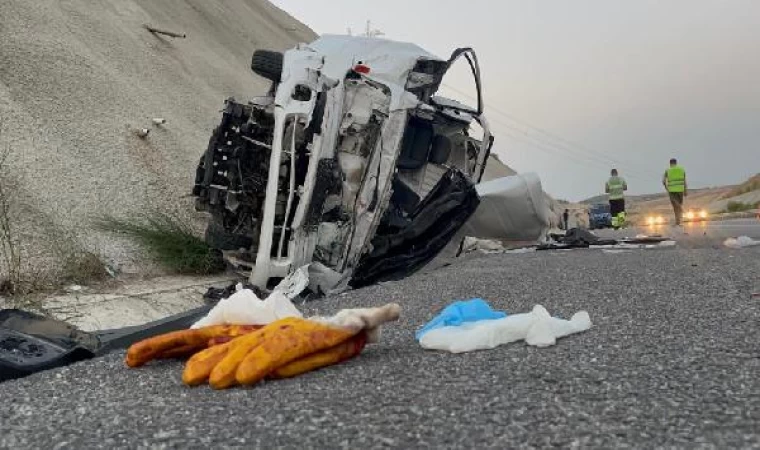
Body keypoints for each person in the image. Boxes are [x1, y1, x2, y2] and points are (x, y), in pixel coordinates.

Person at [663, 158, 687, 225]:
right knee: (679, 204)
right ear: (676, 163)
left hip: (672, 191)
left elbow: (663, 181)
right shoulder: (682, 170)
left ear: (670, 163)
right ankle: (678, 221)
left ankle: (679, 219)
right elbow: (685, 181)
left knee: (675, 206)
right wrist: (685, 190)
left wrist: (666, 188)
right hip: (680, 190)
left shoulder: (667, 170)